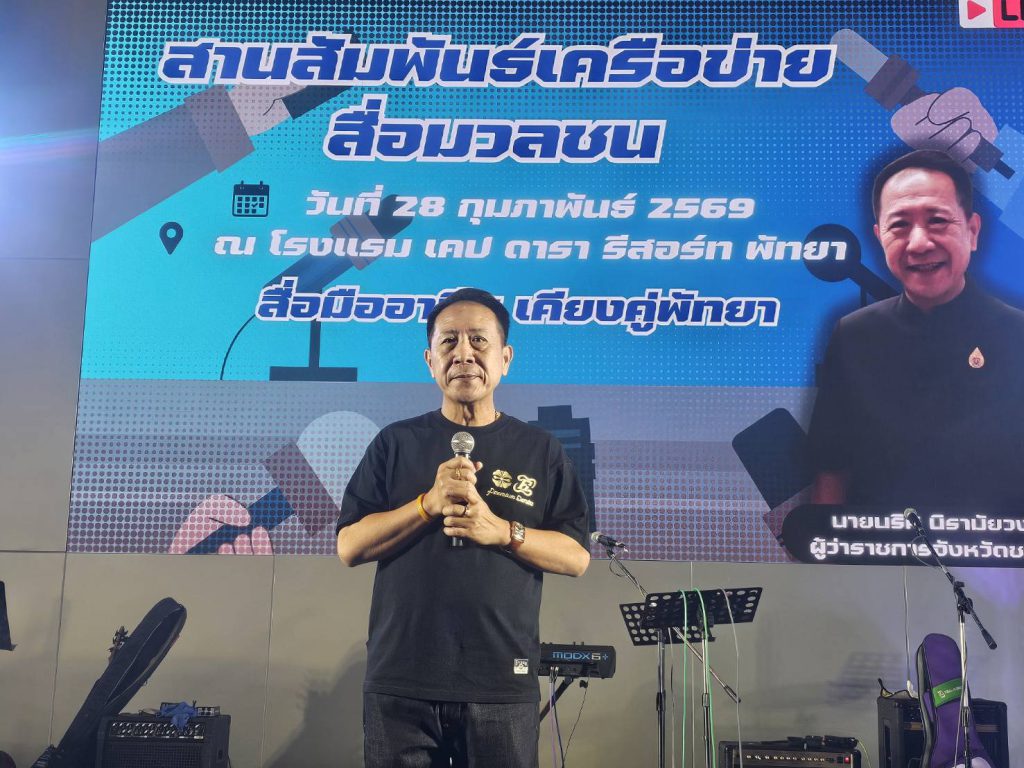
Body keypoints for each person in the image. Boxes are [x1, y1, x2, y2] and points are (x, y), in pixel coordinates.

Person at [336, 287, 591, 768]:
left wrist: (503, 531)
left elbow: (576, 556)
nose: (464, 354)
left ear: (505, 358)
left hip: (500, 679)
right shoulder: (396, 442)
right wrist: (427, 505)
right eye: (449, 341)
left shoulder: (541, 450)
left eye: (479, 340)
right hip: (402, 681)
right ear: (430, 360)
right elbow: (349, 545)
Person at [808, 149, 1024, 509]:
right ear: (879, 237)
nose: (919, 243)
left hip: (996, 544)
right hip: (879, 543)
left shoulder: (1017, 336)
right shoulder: (854, 336)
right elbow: (831, 470)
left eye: (937, 220)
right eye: (899, 225)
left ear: (972, 231)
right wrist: (827, 543)